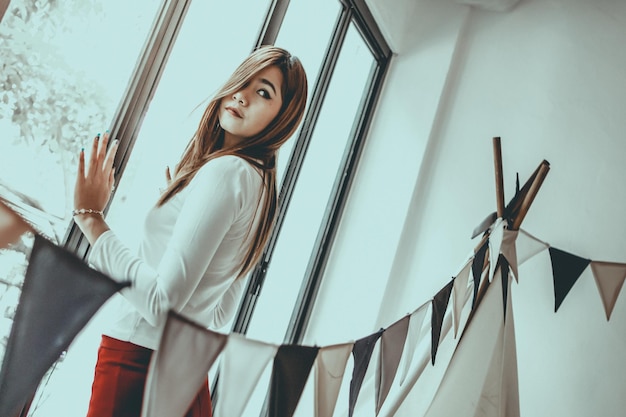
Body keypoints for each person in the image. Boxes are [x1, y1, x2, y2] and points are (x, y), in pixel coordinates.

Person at [72, 45, 308, 417]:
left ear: (285, 116)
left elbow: (162, 306)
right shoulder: (260, 188)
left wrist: (90, 218)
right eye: (242, 81)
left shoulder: (226, 172)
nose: (241, 95)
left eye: (263, 92)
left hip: (139, 367)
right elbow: (219, 312)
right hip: (185, 380)